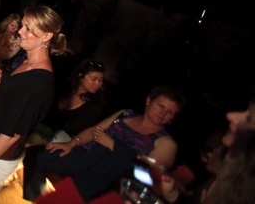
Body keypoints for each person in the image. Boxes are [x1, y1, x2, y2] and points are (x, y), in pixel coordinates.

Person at [0, 4, 65, 204]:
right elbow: (15, 105)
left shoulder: (39, 84)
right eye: (22, 25)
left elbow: (12, 135)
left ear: (47, 36)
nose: (20, 32)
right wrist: (0, 82)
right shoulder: (27, 62)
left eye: (28, 29)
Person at [24, 85, 184, 202]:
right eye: (161, 106)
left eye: (169, 112)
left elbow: (143, 177)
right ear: (149, 101)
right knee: (32, 155)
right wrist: (72, 143)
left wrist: (113, 145)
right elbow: (95, 130)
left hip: (103, 177)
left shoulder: (166, 143)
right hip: (81, 156)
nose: (163, 113)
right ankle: (34, 199)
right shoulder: (126, 114)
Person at [35, 58, 106, 143]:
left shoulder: (95, 106)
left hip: (55, 140)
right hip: (37, 128)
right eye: (94, 79)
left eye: (101, 80)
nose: (98, 84)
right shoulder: (64, 87)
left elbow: (70, 129)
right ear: (81, 76)